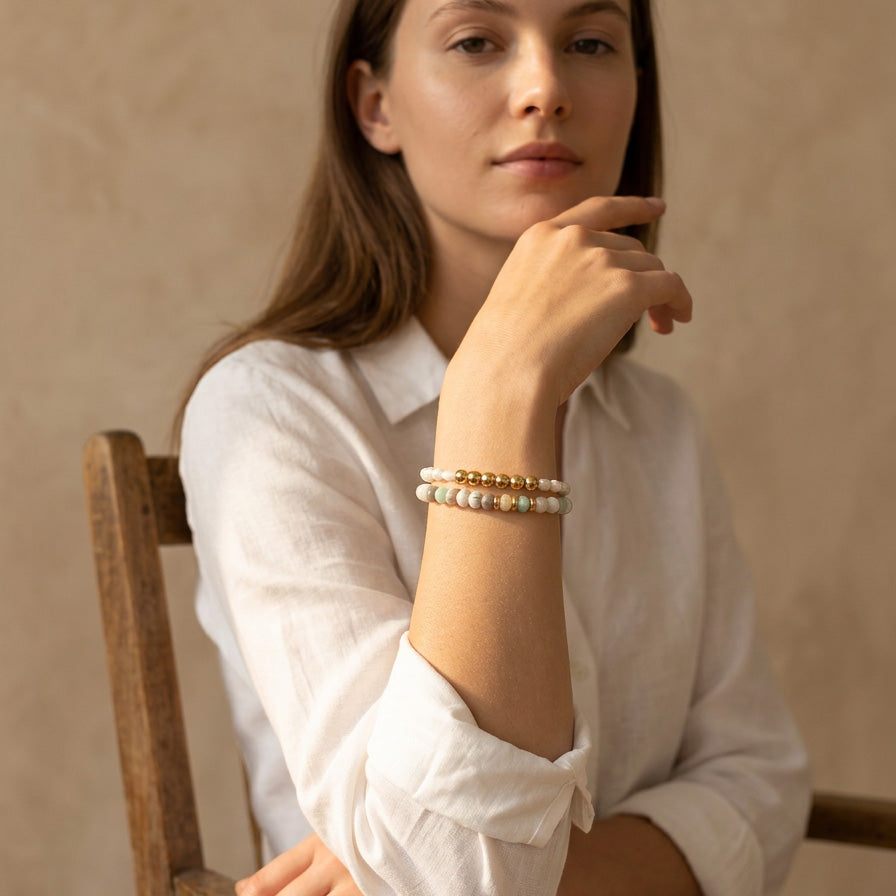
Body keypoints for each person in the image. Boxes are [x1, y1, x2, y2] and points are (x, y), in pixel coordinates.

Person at [178, 0, 811, 893]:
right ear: (375, 106)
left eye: (591, 43)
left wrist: (514, 874)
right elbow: (455, 873)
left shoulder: (659, 426)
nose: (546, 88)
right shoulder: (268, 413)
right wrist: (499, 389)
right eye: (476, 41)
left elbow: (764, 786)